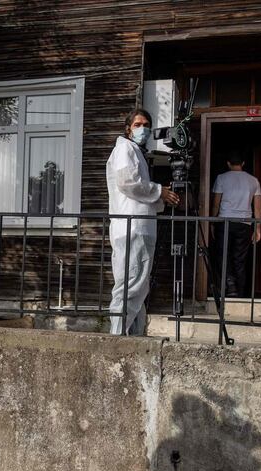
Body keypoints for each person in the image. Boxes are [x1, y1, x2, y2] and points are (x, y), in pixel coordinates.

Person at [106, 108, 179, 335]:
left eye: (146, 124)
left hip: (138, 224)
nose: (143, 128)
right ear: (128, 129)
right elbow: (127, 182)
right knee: (131, 283)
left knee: (138, 284)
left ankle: (132, 334)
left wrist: (160, 197)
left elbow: (137, 189)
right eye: (138, 124)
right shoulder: (124, 149)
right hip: (132, 226)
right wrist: (160, 191)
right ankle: (118, 336)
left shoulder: (135, 151)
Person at [210, 151, 261, 297]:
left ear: (228, 163)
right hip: (245, 223)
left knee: (223, 255)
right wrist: (258, 228)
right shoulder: (253, 181)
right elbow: (258, 207)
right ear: (243, 163)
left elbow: (216, 204)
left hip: (225, 221)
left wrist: (213, 222)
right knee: (240, 258)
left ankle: (229, 285)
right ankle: (239, 291)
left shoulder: (221, 178)